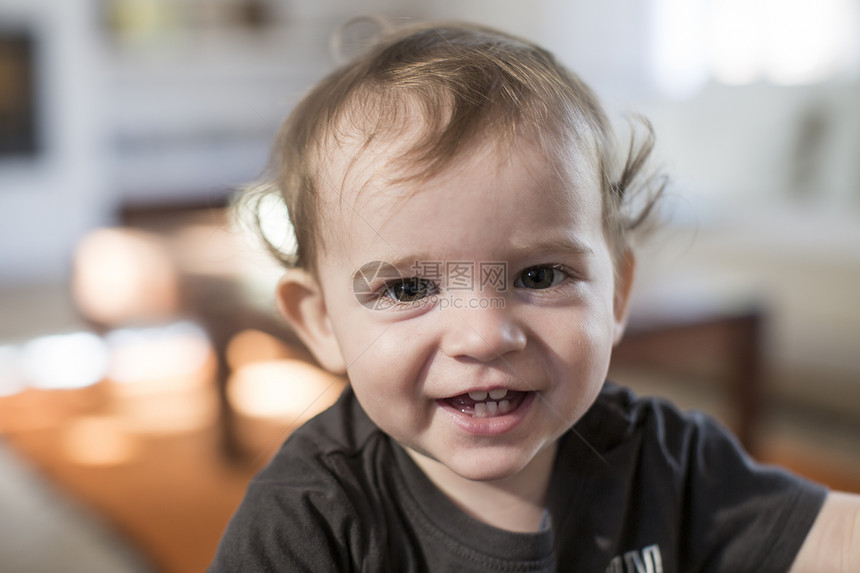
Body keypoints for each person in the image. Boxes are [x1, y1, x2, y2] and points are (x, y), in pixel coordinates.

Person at [210, 21, 859, 572]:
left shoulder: (666, 458)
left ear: (616, 294)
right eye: (408, 287)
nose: (486, 335)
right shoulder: (306, 517)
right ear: (320, 321)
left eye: (540, 276)